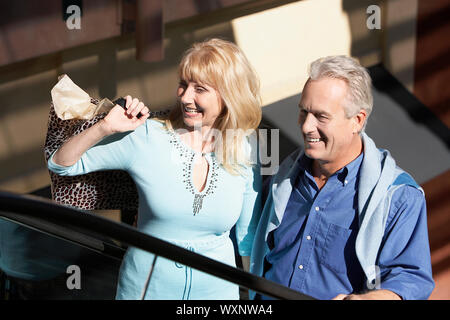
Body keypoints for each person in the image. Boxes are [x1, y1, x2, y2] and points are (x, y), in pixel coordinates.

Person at [47, 38, 262, 300]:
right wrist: (105, 127)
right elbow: (61, 164)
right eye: (183, 85)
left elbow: (247, 235)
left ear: (229, 95)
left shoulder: (246, 145)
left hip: (219, 294)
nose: (185, 96)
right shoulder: (147, 136)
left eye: (200, 89)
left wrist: (255, 297)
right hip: (146, 292)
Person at [250, 55, 434, 300]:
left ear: (357, 120)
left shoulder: (399, 196)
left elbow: (411, 278)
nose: (306, 126)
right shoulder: (283, 177)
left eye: (321, 116)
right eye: (303, 112)